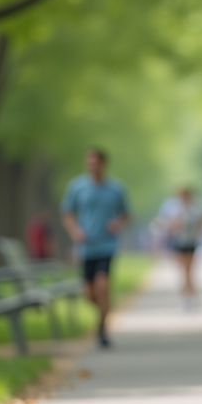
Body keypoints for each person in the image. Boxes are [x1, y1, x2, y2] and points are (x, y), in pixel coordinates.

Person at [61, 148, 129, 348]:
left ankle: (102, 328)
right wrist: (75, 231)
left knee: (103, 285)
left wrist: (117, 223)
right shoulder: (77, 187)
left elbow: (125, 214)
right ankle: (104, 309)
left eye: (96, 163)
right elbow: (67, 213)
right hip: (86, 247)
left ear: (103, 164)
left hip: (107, 245)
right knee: (89, 294)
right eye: (89, 163)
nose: (93, 166)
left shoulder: (116, 188)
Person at [167, 187, 202, 310]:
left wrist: (199, 230)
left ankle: (189, 298)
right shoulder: (175, 209)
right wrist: (177, 224)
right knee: (184, 272)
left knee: (189, 272)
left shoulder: (197, 209)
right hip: (178, 243)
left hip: (191, 243)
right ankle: (188, 297)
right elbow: (171, 227)